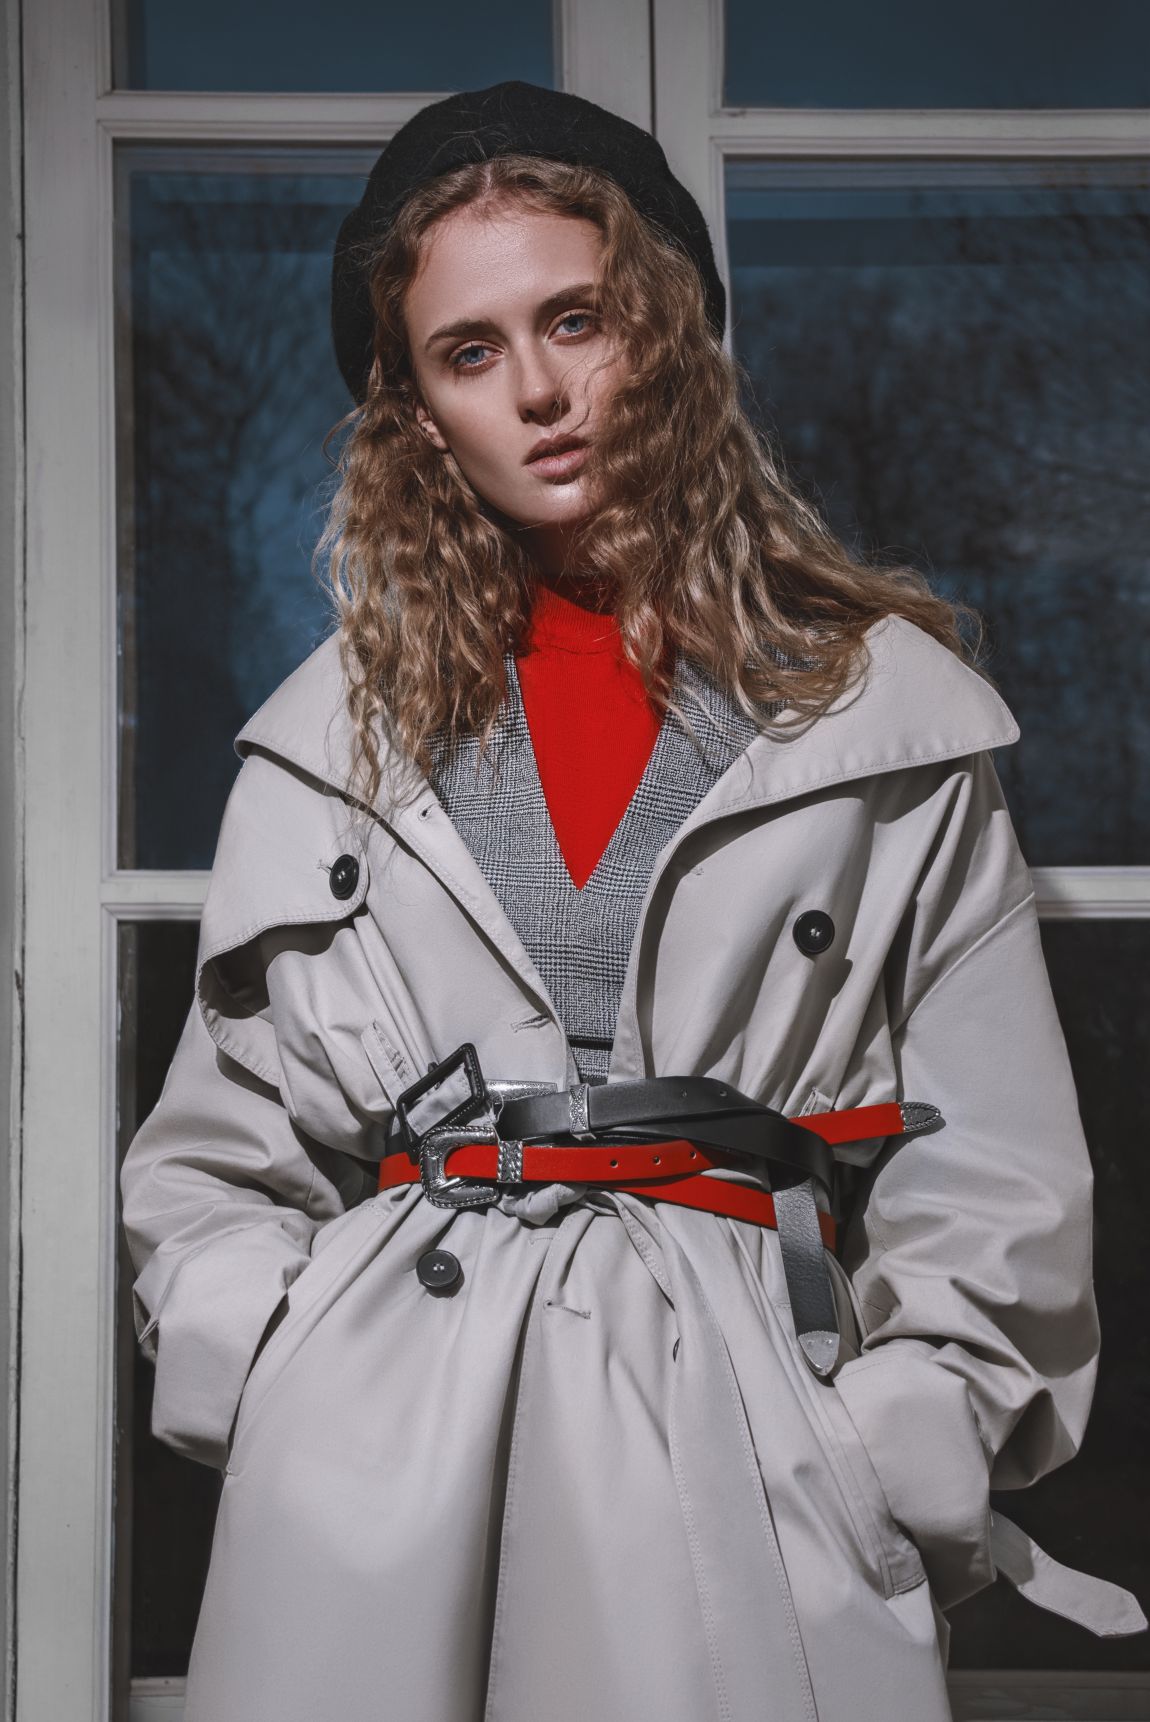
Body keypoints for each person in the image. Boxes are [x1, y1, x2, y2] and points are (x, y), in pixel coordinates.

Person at [119, 81, 1146, 1722]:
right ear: (417, 415)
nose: (537, 391)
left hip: (748, 1432)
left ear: (664, 331)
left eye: (575, 320)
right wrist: (269, 1361)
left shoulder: (879, 719)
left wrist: (901, 1425)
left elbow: (992, 1156)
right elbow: (216, 1155)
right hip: (375, 1472)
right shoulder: (327, 747)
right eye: (468, 352)